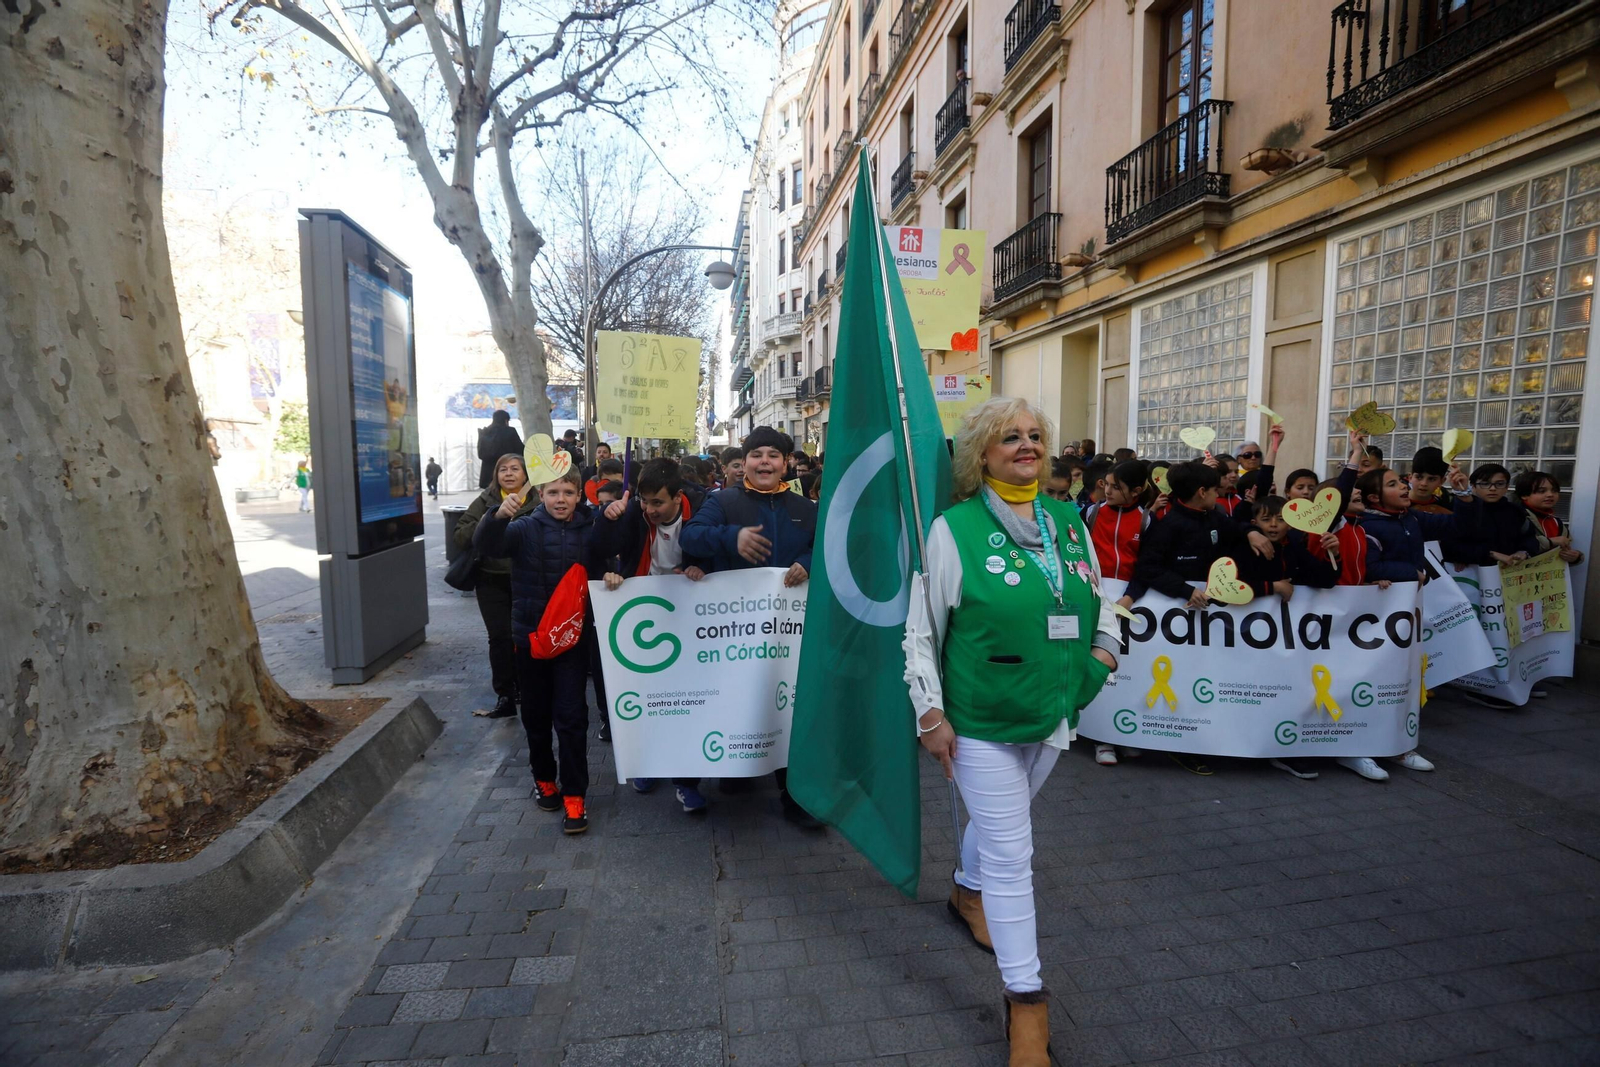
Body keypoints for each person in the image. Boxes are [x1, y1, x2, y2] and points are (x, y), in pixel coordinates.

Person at [903, 397, 1119, 1064]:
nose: (1025, 445)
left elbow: (1098, 592)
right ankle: (1027, 1004)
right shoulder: (954, 528)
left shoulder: (1066, 519)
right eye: (1009, 437)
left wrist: (1105, 651)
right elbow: (922, 628)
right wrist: (930, 714)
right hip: (981, 720)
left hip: (1057, 708)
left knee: (1003, 821)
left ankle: (965, 889)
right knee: (1012, 852)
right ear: (982, 454)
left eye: (1033, 435)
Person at [681, 425, 820, 828]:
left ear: (785, 463)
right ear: (745, 463)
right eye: (757, 454)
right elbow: (692, 537)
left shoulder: (806, 508)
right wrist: (732, 536)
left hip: (787, 634)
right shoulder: (722, 502)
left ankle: (796, 796)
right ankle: (737, 769)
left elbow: (825, 547)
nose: (765, 462)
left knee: (789, 708)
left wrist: (808, 564)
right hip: (735, 633)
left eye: (773, 456)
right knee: (737, 701)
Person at [475, 466, 597, 834]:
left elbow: (608, 559)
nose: (561, 500)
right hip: (530, 638)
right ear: (540, 494)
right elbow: (488, 546)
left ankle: (575, 796)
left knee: (573, 717)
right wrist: (496, 516)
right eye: (553, 492)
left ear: (579, 495)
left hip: (572, 641)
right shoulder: (523, 527)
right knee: (536, 716)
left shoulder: (591, 531)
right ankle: (544, 778)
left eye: (568, 493)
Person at [594, 458, 710, 809]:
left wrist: (702, 568)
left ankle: (686, 781)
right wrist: (606, 524)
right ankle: (646, 764)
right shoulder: (632, 513)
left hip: (689, 617)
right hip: (642, 614)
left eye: (657, 502)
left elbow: (718, 554)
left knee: (686, 700)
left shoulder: (703, 510)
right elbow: (599, 549)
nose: (650, 509)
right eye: (645, 501)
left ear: (678, 497)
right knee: (646, 696)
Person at [1082, 458, 1151, 767]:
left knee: (1129, 670)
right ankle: (1103, 737)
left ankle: (1127, 736)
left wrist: (1130, 596)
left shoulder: (1148, 521)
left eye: (1115, 487)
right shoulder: (1092, 513)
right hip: (1095, 600)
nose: (1106, 490)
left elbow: (1149, 565)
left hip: (1131, 605)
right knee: (1103, 668)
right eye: (1106, 484)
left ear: (1136, 491)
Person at [1129, 461, 1273, 608]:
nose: (1217, 494)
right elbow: (1147, 567)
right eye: (1215, 490)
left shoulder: (1215, 517)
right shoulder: (1166, 526)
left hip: (1218, 613)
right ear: (1202, 492)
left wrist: (1251, 532)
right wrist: (1185, 590)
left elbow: (1236, 527)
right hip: (1178, 612)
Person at [458, 454, 535, 720]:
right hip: (491, 580)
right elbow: (461, 533)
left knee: (525, 636)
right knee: (500, 637)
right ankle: (505, 693)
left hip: (527, 579)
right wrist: (491, 520)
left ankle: (528, 687)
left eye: (515, 468)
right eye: (503, 469)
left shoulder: (537, 500)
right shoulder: (485, 501)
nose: (509, 473)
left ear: (525, 474)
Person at [1517, 470, 1585, 564]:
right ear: (1524, 495)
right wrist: (1550, 542)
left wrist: (1575, 557)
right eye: (1541, 491)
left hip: (1547, 577)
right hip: (1516, 576)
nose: (1550, 495)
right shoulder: (1515, 517)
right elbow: (1511, 545)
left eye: (1554, 491)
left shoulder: (1556, 522)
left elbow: (1563, 552)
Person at [477, 410, 523, 489]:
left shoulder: (485, 432)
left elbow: (480, 454)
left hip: (488, 476)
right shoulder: (510, 431)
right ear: (506, 420)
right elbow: (520, 450)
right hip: (506, 474)